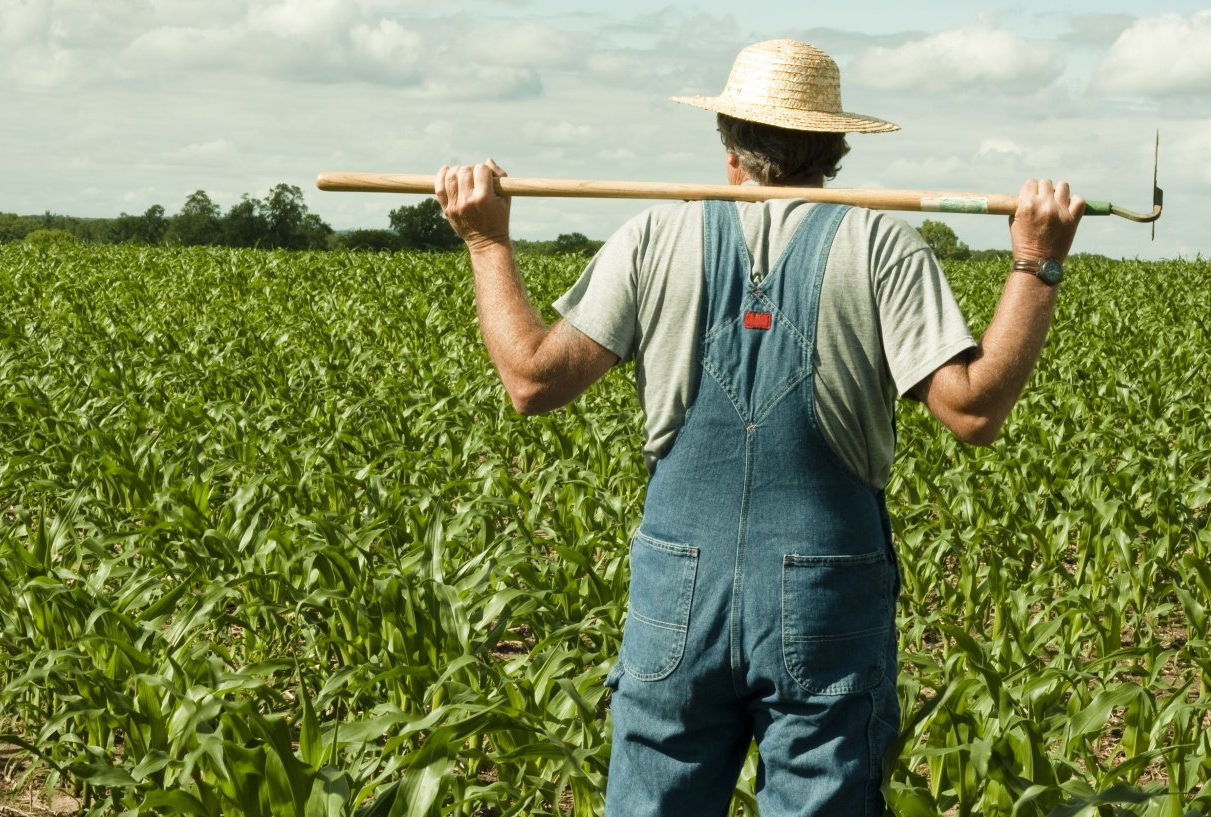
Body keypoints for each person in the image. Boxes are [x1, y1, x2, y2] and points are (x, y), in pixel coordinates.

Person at [435, 38, 1084, 817]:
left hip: (677, 592)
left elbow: (533, 380)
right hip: (824, 596)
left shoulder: (654, 237)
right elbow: (972, 410)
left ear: (728, 145)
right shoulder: (883, 244)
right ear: (835, 147)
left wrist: (486, 240)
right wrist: (1036, 264)